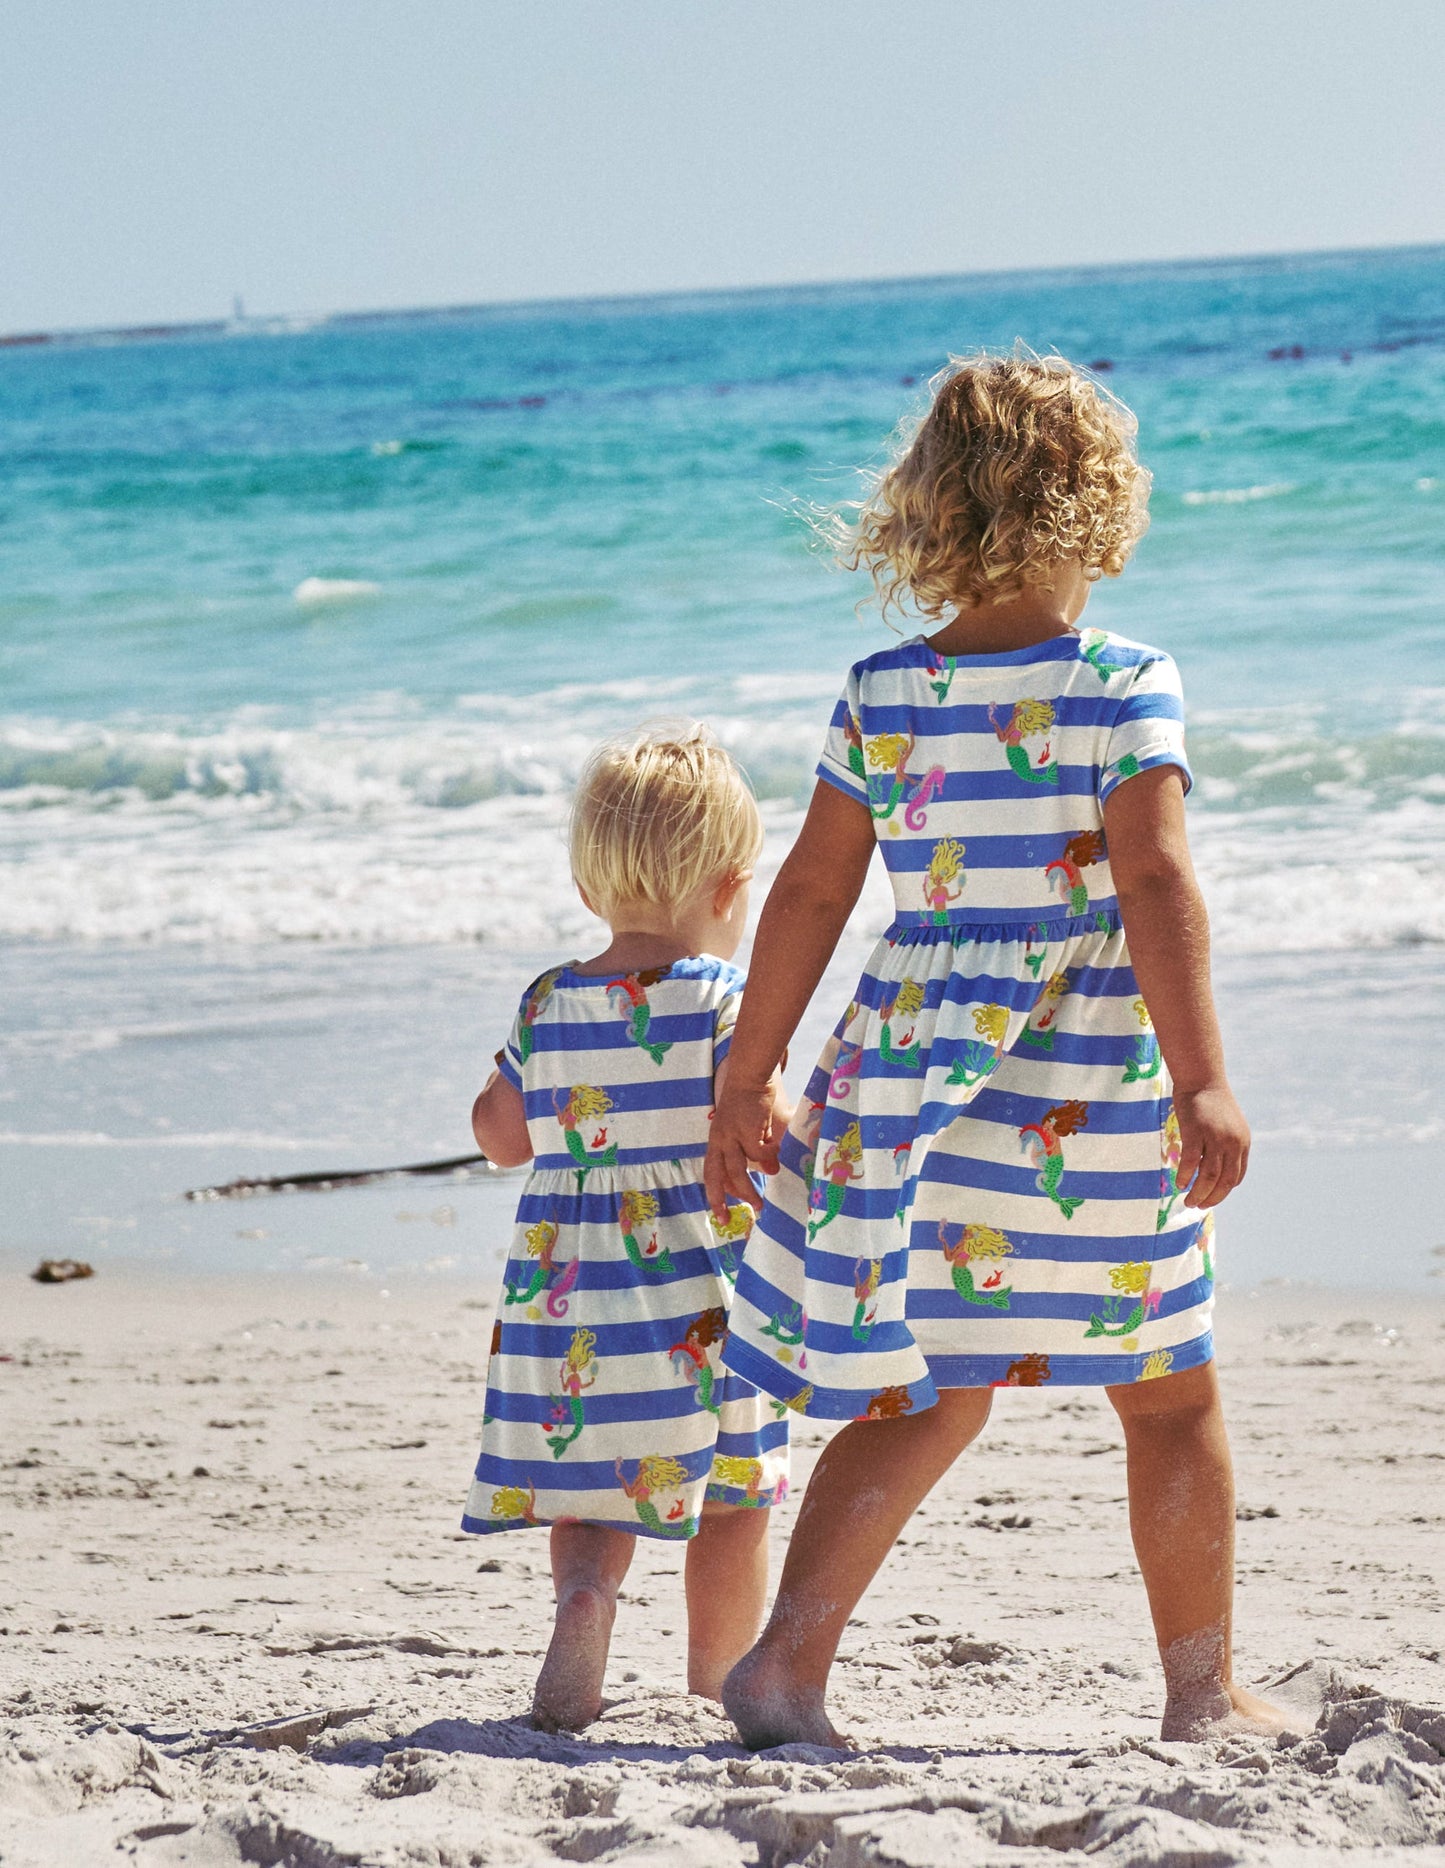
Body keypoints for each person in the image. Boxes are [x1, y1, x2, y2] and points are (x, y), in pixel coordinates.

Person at [705, 352, 1290, 1749]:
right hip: (1078, 1087)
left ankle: (783, 1666)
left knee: (934, 1388)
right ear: (1098, 507)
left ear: (929, 512)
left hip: (916, 1077)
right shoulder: (1123, 679)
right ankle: (1200, 1692)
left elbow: (808, 891)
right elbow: (1152, 883)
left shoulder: (883, 691)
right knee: (1167, 1390)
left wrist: (751, 1072)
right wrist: (1202, 1075)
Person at [465, 722, 790, 1731]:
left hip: (569, 1300)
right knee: (730, 1496)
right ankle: (715, 1678)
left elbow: (499, 1134)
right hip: (698, 1297)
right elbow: (770, 1129)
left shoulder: (550, 1000)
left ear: (588, 887)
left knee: (592, 1486)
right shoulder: (730, 1002)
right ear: (731, 890)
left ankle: (584, 1600)